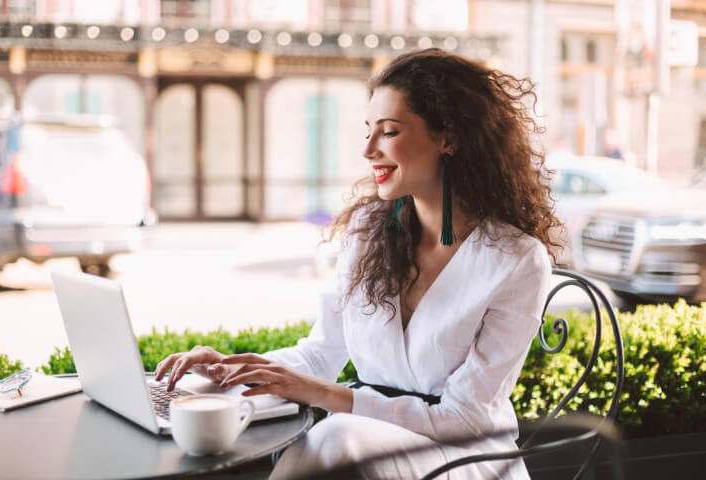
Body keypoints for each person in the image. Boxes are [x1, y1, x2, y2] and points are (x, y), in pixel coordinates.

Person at [154, 48, 561, 479]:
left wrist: (329, 397)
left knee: (335, 439)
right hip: (360, 447)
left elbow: (463, 419)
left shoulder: (516, 261)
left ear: (449, 138)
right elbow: (319, 355)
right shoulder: (368, 231)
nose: (369, 150)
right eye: (368, 131)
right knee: (338, 441)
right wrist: (231, 370)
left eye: (388, 132)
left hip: (464, 459)